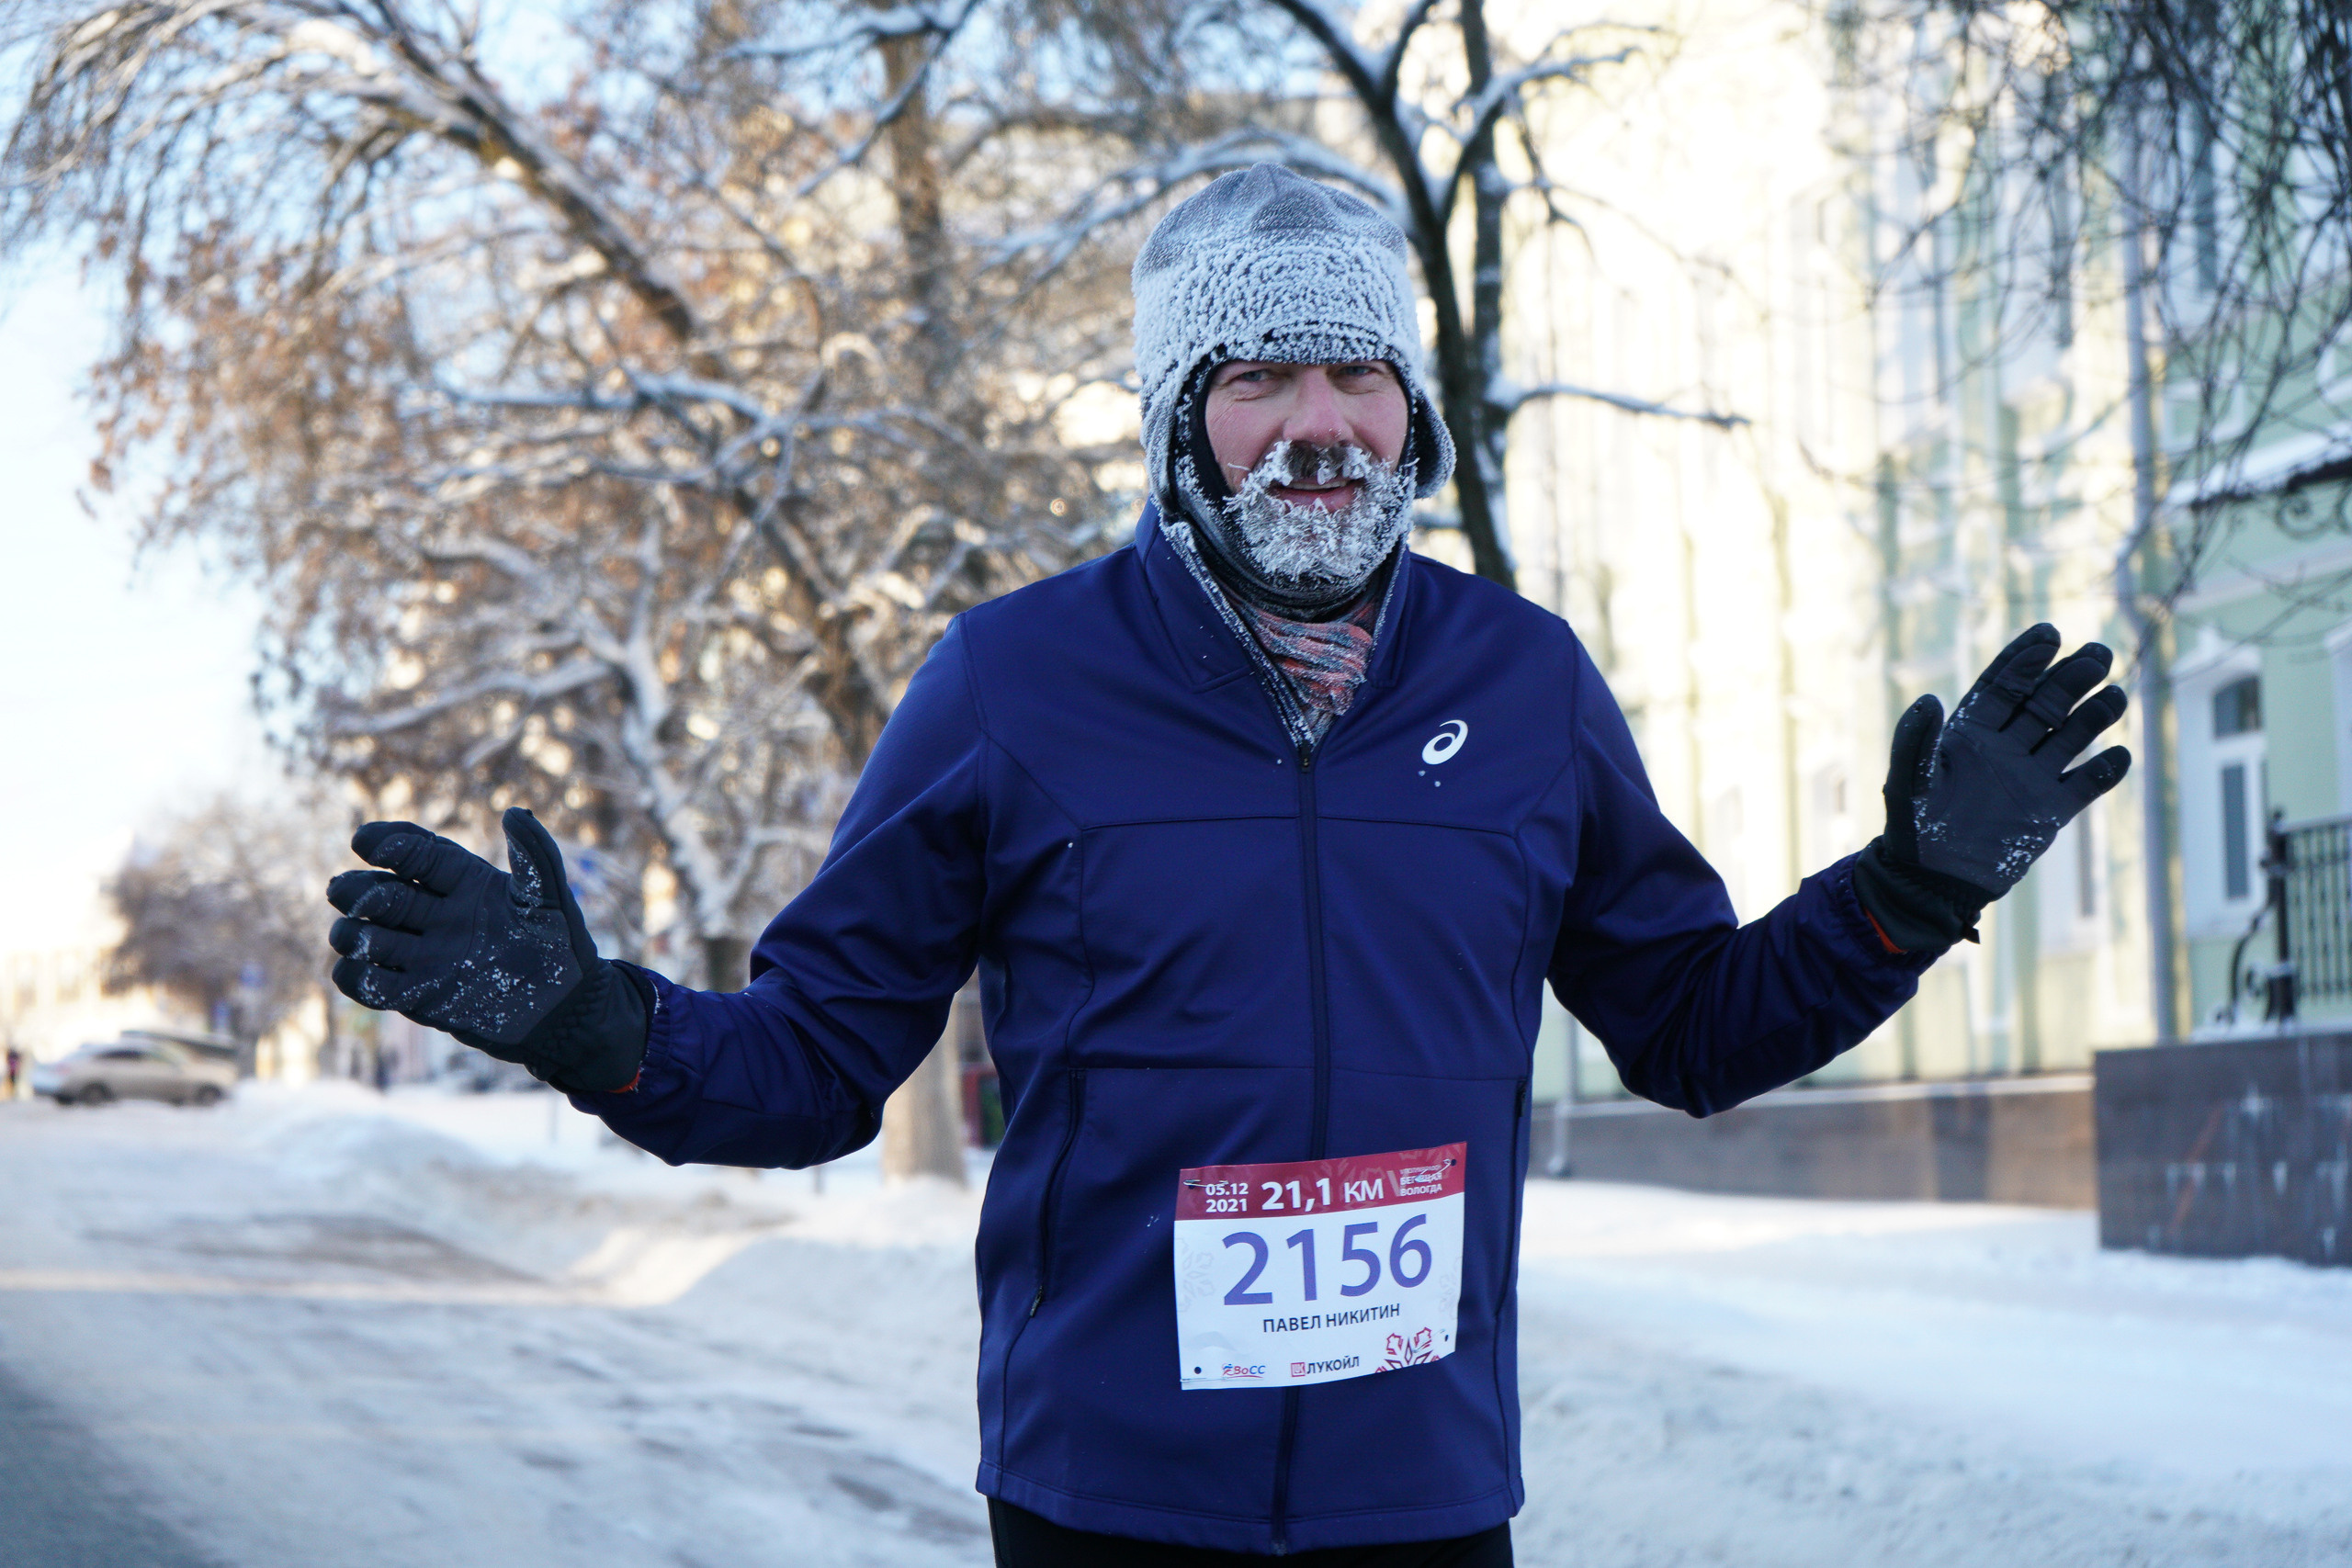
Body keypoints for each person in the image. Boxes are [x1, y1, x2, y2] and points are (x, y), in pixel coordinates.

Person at [322, 166, 2131, 1565]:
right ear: (1181, 420)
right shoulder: (1009, 687)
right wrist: (577, 1015)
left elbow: (1688, 1025)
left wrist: (1914, 883)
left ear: (1409, 411)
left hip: (1420, 1495)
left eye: (1354, 371)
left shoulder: (1521, 688)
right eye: (1260, 376)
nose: (1317, 420)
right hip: (1108, 1495)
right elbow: (807, 1070)